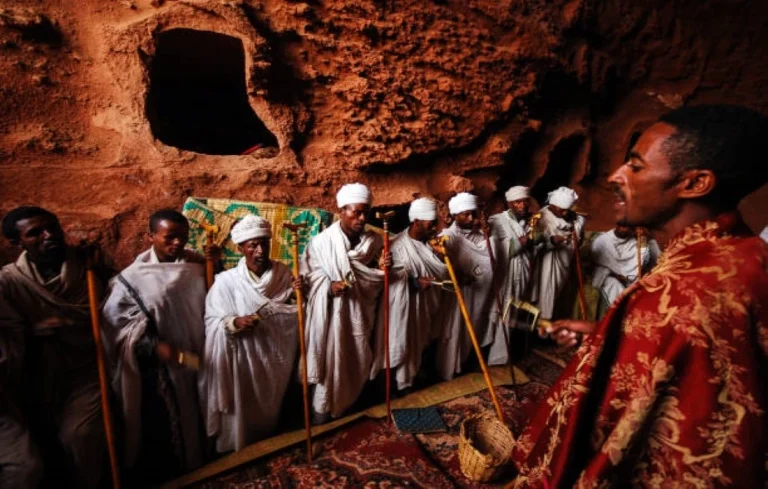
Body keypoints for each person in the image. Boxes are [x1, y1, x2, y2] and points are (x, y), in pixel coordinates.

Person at [510, 104, 768, 488]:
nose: (615, 176)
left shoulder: (677, 291)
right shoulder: (747, 255)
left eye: (636, 166)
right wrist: (611, 335)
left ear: (695, 184)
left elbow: (606, 433)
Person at [0, 207, 106, 488]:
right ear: (16, 243)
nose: (49, 236)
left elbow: (112, 309)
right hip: (35, 377)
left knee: (80, 436)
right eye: (35, 233)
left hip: (84, 370)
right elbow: (8, 334)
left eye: (53, 228)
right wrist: (33, 333)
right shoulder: (9, 281)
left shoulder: (88, 265)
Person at [101, 209, 207, 481]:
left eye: (183, 237)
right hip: (165, 364)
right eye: (170, 237)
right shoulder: (133, 279)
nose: (177, 244)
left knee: (202, 410)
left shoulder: (196, 265)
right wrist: (152, 346)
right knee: (168, 424)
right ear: (151, 236)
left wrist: (213, 265)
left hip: (200, 354)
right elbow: (116, 324)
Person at [203, 215, 300, 452]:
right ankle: (239, 448)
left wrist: (299, 295)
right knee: (243, 407)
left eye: (264, 243)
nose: (260, 250)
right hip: (243, 359)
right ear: (240, 248)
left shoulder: (283, 273)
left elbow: (293, 311)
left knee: (270, 406)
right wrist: (235, 322)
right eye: (252, 245)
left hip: (275, 356)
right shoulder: (226, 282)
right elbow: (213, 320)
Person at [301, 183, 388, 423]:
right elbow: (307, 281)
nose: (362, 218)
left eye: (365, 213)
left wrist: (382, 270)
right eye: (356, 212)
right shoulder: (321, 243)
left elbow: (378, 279)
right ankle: (322, 421)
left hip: (361, 317)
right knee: (330, 370)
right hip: (332, 321)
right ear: (342, 210)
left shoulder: (375, 242)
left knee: (358, 361)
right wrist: (328, 288)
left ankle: (350, 417)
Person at [369, 197, 448, 392]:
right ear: (417, 222)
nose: (435, 227)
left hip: (423, 309)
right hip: (399, 310)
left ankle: (407, 388)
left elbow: (441, 271)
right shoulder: (395, 245)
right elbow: (388, 278)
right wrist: (414, 282)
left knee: (418, 348)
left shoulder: (432, 246)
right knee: (393, 348)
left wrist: (439, 259)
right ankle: (387, 392)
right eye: (431, 222)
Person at [436, 192, 497, 380]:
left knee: (474, 328)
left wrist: (489, 236)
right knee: (453, 331)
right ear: (455, 215)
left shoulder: (482, 235)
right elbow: (440, 263)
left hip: (479, 296)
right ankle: (447, 371)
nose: (471, 218)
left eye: (473, 213)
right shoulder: (448, 236)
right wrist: (456, 272)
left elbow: (492, 261)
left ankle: (465, 364)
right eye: (466, 215)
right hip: (457, 296)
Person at [487, 185, 535, 366]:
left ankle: (505, 354)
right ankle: (496, 358)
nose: (522, 205)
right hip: (505, 275)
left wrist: (532, 242)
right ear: (509, 203)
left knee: (513, 312)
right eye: (517, 202)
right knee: (500, 312)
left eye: (524, 201)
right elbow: (492, 250)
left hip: (521, 273)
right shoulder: (497, 221)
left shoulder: (529, 222)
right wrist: (520, 243)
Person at [531, 186, 585, 320]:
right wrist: (552, 241)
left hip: (565, 261)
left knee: (558, 296)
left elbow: (578, 240)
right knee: (545, 294)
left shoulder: (575, 218)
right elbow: (537, 242)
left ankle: (552, 327)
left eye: (567, 210)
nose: (565, 213)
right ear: (553, 206)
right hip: (547, 262)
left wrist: (575, 225)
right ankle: (541, 329)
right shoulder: (542, 217)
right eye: (562, 210)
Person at [590, 225, 660, 319]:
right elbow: (599, 264)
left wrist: (643, 238)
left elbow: (640, 262)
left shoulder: (633, 241)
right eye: (621, 226)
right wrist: (614, 274)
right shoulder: (602, 241)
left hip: (630, 278)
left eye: (627, 227)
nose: (623, 229)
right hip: (609, 276)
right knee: (614, 285)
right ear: (617, 226)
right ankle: (624, 317)